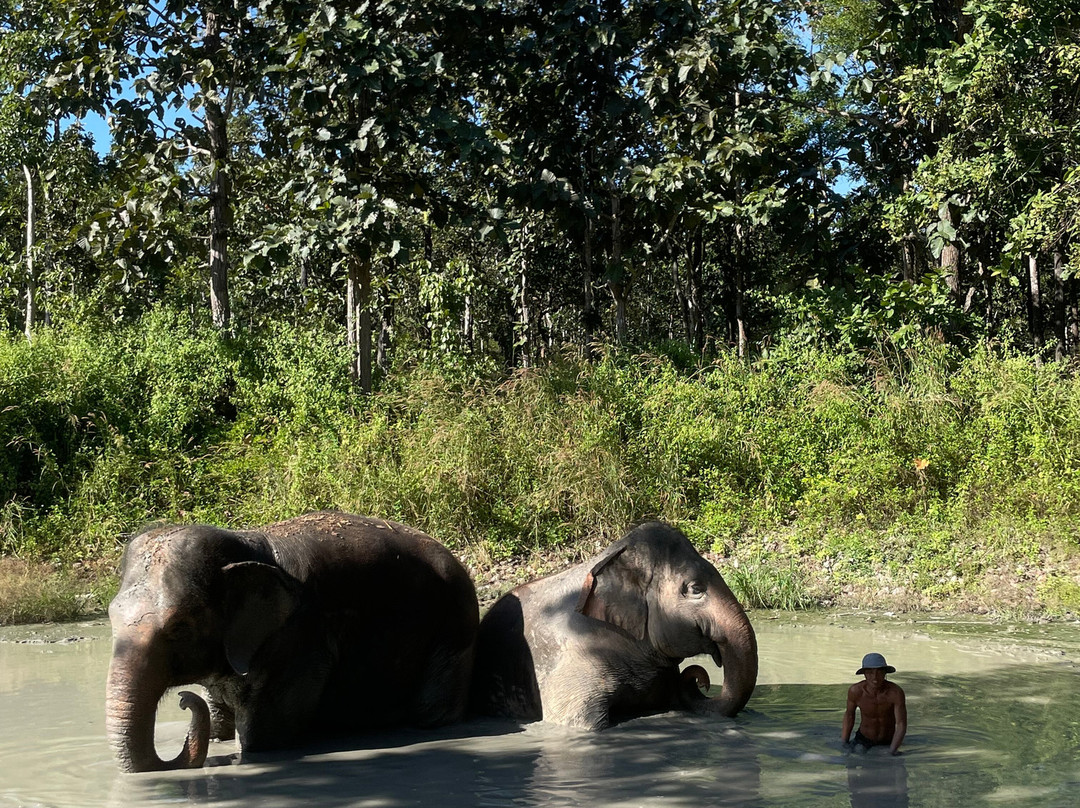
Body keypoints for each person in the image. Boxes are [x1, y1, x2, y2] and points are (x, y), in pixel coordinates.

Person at [841, 652, 907, 755]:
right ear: (864, 674)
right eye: (870, 672)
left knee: (893, 765)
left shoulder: (895, 693)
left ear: (885, 673)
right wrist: (844, 742)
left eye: (879, 672)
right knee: (854, 757)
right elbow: (849, 716)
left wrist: (892, 750)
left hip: (888, 740)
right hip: (864, 738)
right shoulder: (856, 691)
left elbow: (901, 724)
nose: (875, 677)